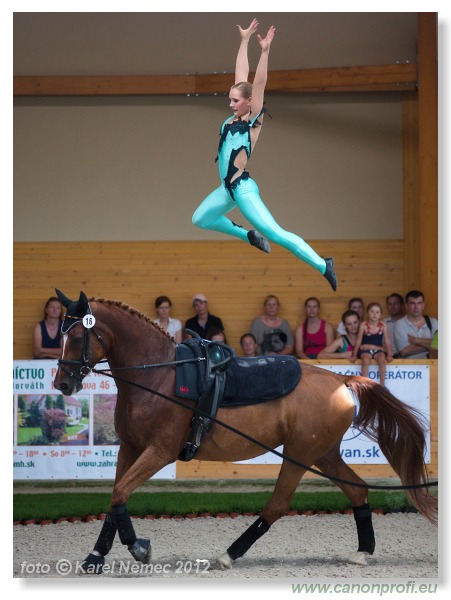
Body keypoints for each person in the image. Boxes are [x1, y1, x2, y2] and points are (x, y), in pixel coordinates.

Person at [191, 18, 337, 292]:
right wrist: (245, 40)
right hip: (226, 189)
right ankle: (248, 235)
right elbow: (242, 73)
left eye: (235, 100)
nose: (230, 103)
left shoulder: (252, 122)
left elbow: (258, 82)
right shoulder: (236, 113)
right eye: (230, 98)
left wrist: (265, 51)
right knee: (200, 218)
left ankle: (322, 264)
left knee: (276, 233)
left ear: (249, 102)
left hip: (242, 189)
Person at [350, 302, 393, 387]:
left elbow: (387, 341)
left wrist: (389, 354)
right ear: (367, 313)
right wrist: (354, 355)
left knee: (382, 360)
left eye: (377, 312)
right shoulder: (364, 325)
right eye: (372, 311)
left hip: (378, 350)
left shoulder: (382, 326)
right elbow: (358, 341)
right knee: (365, 360)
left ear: (380, 315)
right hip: (365, 349)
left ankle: (382, 385)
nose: (374, 314)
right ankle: (364, 384)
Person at [394, 290, 438, 359]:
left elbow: (443, 344)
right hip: (409, 368)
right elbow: (404, 351)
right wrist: (432, 344)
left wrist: (416, 341)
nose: (416, 307)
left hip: (432, 366)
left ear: (423, 305)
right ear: (406, 306)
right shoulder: (399, 324)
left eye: (419, 303)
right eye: (412, 303)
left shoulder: (433, 322)